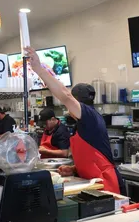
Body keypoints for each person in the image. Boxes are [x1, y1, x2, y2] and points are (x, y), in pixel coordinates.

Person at [25, 46, 125, 195]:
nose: (67, 108)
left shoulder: (89, 116)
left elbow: (66, 95)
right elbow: (91, 159)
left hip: (106, 184)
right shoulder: (85, 122)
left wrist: (39, 69)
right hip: (92, 184)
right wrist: (73, 169)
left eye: (71, 105)